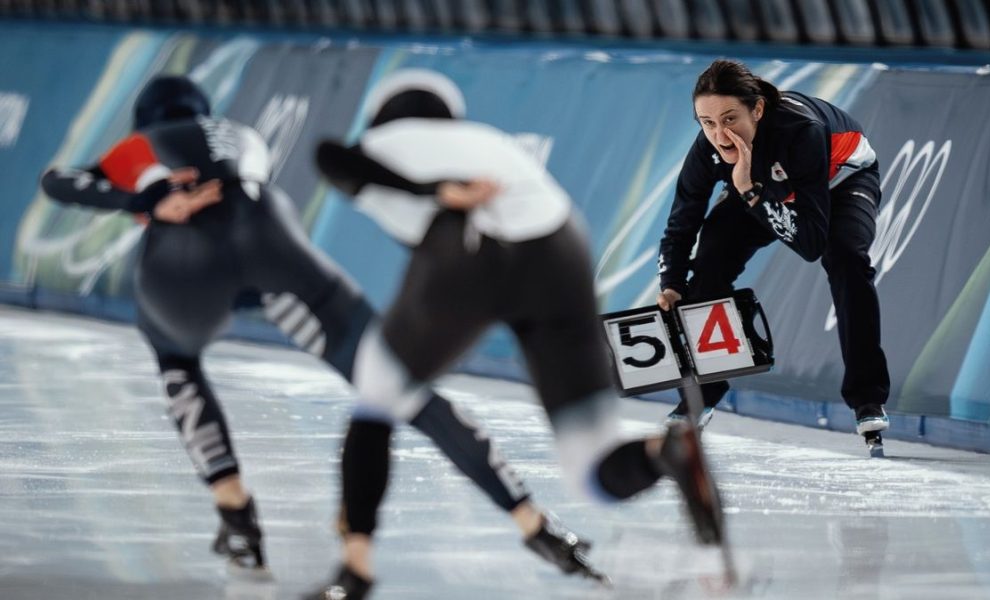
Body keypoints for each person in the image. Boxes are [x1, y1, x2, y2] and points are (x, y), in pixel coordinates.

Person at [39, 75, 602, 580]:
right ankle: (532, 521)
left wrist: (140, 197)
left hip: (182, 268)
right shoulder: (237, 132)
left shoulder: (137, 146)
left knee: (176, 358)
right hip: (272, 242)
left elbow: (59, 182)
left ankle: (236, 515)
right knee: (397, 386)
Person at [306, 68, 726, 599]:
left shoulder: (382, 142)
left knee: (375, 403)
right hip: (559, 247)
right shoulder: (489, 141)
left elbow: (329, 158)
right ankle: (664, 452)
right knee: (592, 468)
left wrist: (434, 191)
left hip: (464, 255)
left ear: (384, 114)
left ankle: (356, 569)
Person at [656, 59, 890, 447]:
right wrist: (672, 285)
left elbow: (812, 243)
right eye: (707, 122)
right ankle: (704, 393)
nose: (720, 134)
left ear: (758, 109)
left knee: (846, 259)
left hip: (840, 181)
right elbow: (682, 221)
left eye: (730, 119)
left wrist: (749, 192)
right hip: (760, 185)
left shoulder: (802, 131)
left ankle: (867, 398)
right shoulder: (707, 149)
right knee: (710, 259)